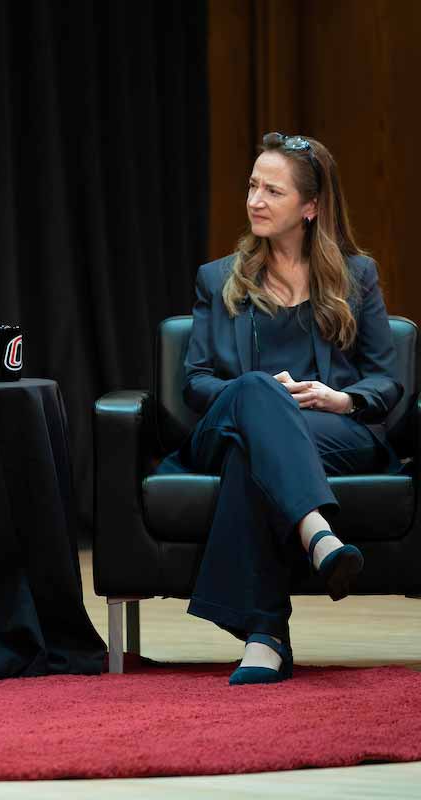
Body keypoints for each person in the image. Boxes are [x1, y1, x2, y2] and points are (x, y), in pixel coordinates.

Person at [170, 132, 401, 685]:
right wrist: (256, 395)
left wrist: (340, 397)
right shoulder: (218, 278)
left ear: (311, 207)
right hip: (228, 423)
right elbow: (196, 381)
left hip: (329, 431)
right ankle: (318, 532)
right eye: (252, 186)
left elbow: (386, 381)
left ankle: (267, 634)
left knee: (253, 460)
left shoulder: (356, 276)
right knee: (254, 392)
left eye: (272, 191)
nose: (255, 200)